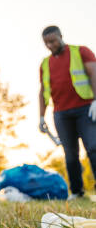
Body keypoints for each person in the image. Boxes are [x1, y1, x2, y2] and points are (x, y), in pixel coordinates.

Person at [38, 25, 96, 199]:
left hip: (86, 109)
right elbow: (42, 91)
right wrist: (41, 116)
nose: (50, 45)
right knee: (70, 154)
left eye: (53, 41)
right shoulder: (45, 63)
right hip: (61, 113)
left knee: (93, 148)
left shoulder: (81, 51)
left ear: (61, 36)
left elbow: (94, 73)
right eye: (46, 42)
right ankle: (77, 191)